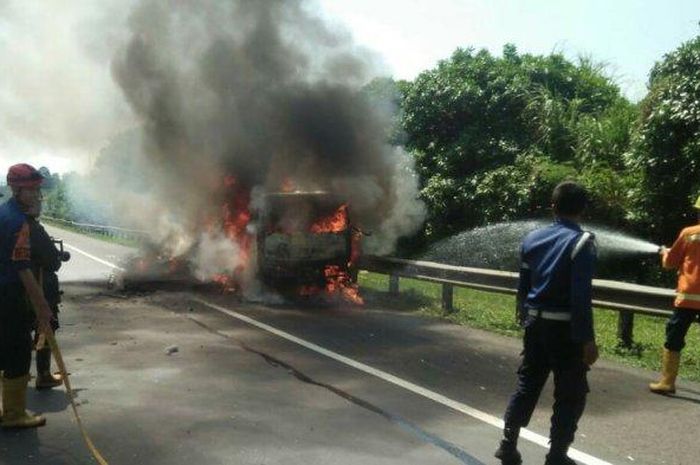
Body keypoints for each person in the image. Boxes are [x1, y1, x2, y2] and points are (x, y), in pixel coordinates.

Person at [495, 181, 599, 465]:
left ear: (553, 207)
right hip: (565, 330)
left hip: (535, 326)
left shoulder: (532, 239)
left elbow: (524, 286)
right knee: (571, 392)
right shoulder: (582, 242)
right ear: (583, 209)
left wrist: (525, 316)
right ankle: (557, 455)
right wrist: (587, 339)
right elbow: (581, 297)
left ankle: (508, 444)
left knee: (528, 383)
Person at [0, 163, 53, 428]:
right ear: (17, 189)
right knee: (18, 351)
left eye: (36, 190)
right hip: (8, 294)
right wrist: (42, 307)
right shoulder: (17, 222)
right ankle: (13, 414)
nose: (35, 195)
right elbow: (23, 269)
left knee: (5, 348)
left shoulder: (3, 213)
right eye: (31, 190)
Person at [649, 194, 700, 394]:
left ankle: (667, 382)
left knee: (674, 337)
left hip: (688, 299)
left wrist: (665, 253)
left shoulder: (689, 234)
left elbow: (670, 263)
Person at [28, 213, 64, 389]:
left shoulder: (5, 222)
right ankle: (43, 375)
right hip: (37, 288)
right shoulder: (31, 227)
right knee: (45, 329)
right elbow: (52, 261)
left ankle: (12, 378)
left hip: (9, 289)